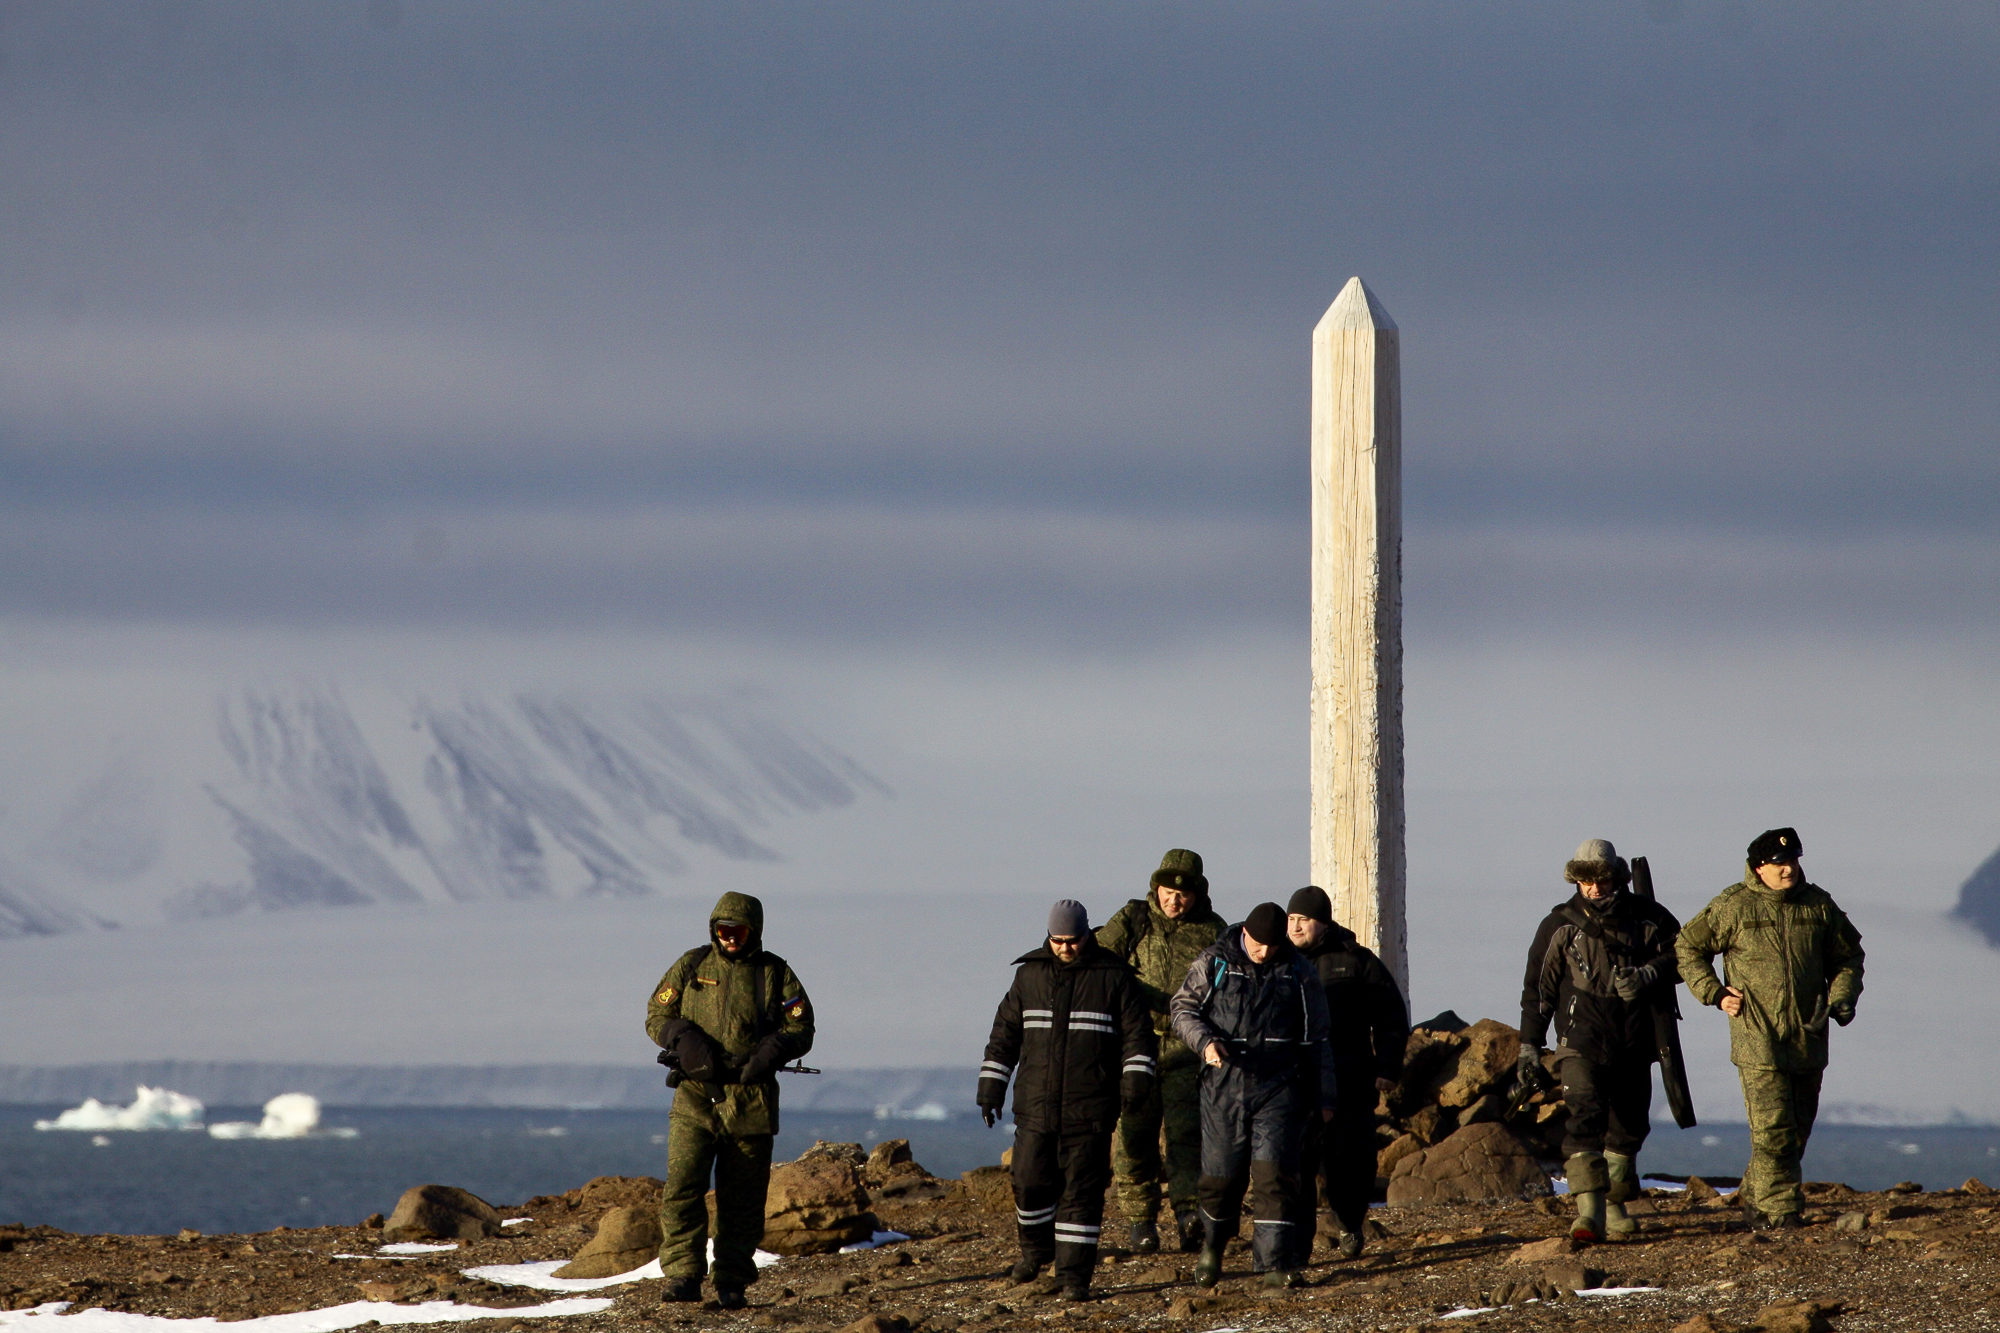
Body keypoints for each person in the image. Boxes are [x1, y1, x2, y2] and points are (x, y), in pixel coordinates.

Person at [1677, 827, 1864, 1229]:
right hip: (1756, 1037)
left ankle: (1755, 1198)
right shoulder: (1733, 906)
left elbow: (1848, 957)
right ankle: (1782, 1213)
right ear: (1759, 867)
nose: (1788, 870)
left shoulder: (1819, 906)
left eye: (1794, 861)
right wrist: (1713, 993)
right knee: (1774, 1128)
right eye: (1779, 863)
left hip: (1809, 1035)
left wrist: (1843, 997)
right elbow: (1687, 948)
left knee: (1795, 1131)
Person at [978, 900, 1157, 1302]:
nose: (1064, 948)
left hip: (1090, 1108)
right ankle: (1035, 1253)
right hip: (1036, 1107)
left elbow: (1138, 1038)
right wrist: (991, 1087)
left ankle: (1074, 1276)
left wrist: (1135, 1083)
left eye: (1072, 940)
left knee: (1082, 1194)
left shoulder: (1114, 977)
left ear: (1086, 934)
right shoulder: (1029, 975)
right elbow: (1004, 1035)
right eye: (1057, 941)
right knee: (1027, 1182)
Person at [645, 892, 815, 1308]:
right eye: (723, 930)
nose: (730, 938)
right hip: (694, 1097)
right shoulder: (691, 965)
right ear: (713, 930)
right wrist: (683, 1039)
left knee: (743, 1198)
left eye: (738, 931)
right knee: (683, 1186)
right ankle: (684, 1274)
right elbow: (656, 1014)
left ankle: (732, 1281)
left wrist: (770, 1052)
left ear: (753, 931)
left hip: (751, 1101)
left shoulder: (775, 973)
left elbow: (802, 1027)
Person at [1517, 839, 1682, 1244]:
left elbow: (1685, 957)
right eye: (1584, 880)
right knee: (1584, 1118)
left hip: (1636, 1038)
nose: (1592, 888)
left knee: (1628, 1127)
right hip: (1580, 1039)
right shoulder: (1559, 925)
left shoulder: (1651, 918)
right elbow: (1538, 991)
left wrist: (1648, 975)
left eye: (1600, 879)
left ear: (1618, 878)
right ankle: (1589, 1215)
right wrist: (1529, 1046)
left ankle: (1615, 1206)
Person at [1170, 901, 1336, 1290]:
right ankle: (1213, 1246)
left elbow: (1318, 1040)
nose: (1264, 953)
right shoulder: (1215, 962)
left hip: (1280, 1087)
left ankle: (1273, 1265)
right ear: (1245, 933)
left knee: (1275, 1175)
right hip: (1223, 1085)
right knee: (1221, 1178)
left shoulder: (1298, 971)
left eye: (1272, 947)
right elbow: (1182, 1010)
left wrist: (1325, 1098)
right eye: (1259, 945)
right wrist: (1206, 1042)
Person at [1094, 848, 1229, 1254]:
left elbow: (1228, 986)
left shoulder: (1214, 931)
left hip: (1189, 1049)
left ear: (1197, 895)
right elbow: (1098, 962)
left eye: (1184, 894)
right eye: (1168, 890)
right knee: (1134, 1137)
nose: (1175, 899)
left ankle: (1189, 1216)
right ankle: (1141, 1223)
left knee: (1188, 1138)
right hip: (1136, 1046)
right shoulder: (1132, 919)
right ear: (1156, 888)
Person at [1285, 885, 1407, 1259]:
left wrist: (1387, 1067)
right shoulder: (1276, 960)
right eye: (1291, 920)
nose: (1295, 927)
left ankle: (1351, 1224)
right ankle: (1297, 1242)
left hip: (1349, 1078)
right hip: (1296, 1079)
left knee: (1351, 1160)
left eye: (1303, 920)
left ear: (1323, 923)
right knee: (1297, 1163)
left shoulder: (1356, 960)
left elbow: (1390, 1016)